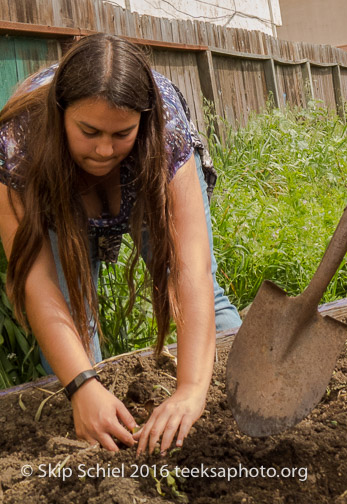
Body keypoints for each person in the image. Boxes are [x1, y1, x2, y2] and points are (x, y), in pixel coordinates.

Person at [0, 33, 241, 455]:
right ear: (60, 115)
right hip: (56, 193)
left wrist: (189, 391)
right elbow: (37, 283)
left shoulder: (163, 126)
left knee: (208, 305)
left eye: (121, 133)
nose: (104, 149)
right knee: (76, 323)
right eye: (89, 131)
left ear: (142, 123)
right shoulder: (18, 141)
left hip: (143, 182)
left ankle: (243, 389)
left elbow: (190, 268)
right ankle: (97, 423)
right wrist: (82, 386)